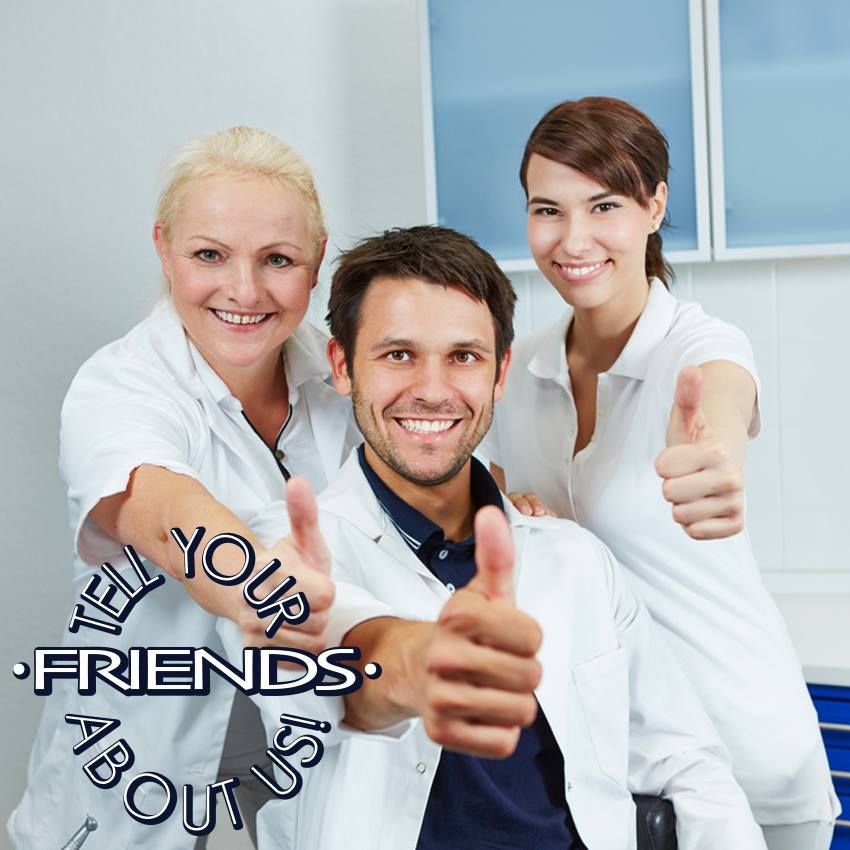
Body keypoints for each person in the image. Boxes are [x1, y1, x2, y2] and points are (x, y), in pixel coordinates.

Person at [243, 225, 768, 850]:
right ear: (342, 366)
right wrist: (422, 663)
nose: (432, 390)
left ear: (500, 374)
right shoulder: (285, 549)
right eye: (398, 355)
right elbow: (340, 675)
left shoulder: (574, 559)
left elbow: (687, 762)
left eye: (464, 356)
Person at [7, 127, 388, 850]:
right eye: (209, 255)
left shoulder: (345, 377)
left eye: (278, 259)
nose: (244, 290)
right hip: (136, 776)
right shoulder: (120, 385)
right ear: (164, 248)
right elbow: (164, 513)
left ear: (315, 261)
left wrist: (501, 500)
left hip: (304, 763)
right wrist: (267, 586)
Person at [481, 97, 839, 849]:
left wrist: (715, 465)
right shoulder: (522, 370)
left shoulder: (698, 349)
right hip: (622, 770)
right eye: (547, 210)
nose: (573, 239)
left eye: (604, 205)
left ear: (655, 205)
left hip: (747, 760)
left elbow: (720, 410)